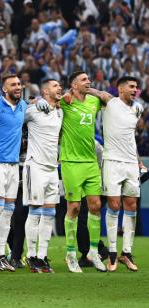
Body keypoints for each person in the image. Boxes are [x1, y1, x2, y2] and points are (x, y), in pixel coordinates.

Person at [58, 71, 112, 273]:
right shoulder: (66, 102)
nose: (88, 81)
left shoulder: (93, 101)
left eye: (89, 79)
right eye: (83, 80)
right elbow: (46, 101)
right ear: (73, 85)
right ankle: (71, 253)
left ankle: (93, 251)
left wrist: (95, 91)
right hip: (71, 161)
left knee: (96, 206)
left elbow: (111, 101)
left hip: (90, 161)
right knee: (73, 208)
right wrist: (61, 97)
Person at [0, 74, 28, 272]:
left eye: (19, 84)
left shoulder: (23, 106)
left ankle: (1, 253)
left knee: (9, 210)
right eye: (13, 85)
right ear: (4, 89)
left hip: (13, 164)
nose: (18, 87)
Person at [102, 76, 144, 272]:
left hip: (130, 163)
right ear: (120, 88)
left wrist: (137, 159)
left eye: (136, 87)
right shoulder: (109, 102)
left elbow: (130, 137)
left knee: (131, 204)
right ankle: (111, 253)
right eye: (131, 87)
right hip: (112, 161)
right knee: (113, 204)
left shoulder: (138, 108)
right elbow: (91, 92)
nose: (135, 90)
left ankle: (126, 253)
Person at [22, 79, 63, 274]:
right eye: (55, 86)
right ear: (46, 90)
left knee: (50, 213)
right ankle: (31, 256)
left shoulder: (60, 111)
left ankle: (42, 256)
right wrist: (33, 100)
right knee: (35, 211)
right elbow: (15, 115)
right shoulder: (34, 110)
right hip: (35, 165)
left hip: (52, 168)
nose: (60, 88)